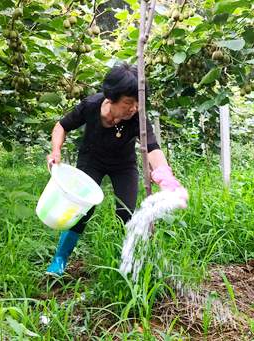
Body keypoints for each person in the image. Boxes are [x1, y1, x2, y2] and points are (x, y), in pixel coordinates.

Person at [45, 63, 189, 276]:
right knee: (83, 211)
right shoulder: (91, 105)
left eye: (138, 103)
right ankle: (60, 259)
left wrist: (164, 176)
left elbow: (152, 147)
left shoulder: (138, 117)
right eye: (128, 103)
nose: (133, 108)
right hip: (91, 160)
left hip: (123, 164)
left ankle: (133, 263)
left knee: (127, 212)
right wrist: (56, 150)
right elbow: (61, 126)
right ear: (111, 98)